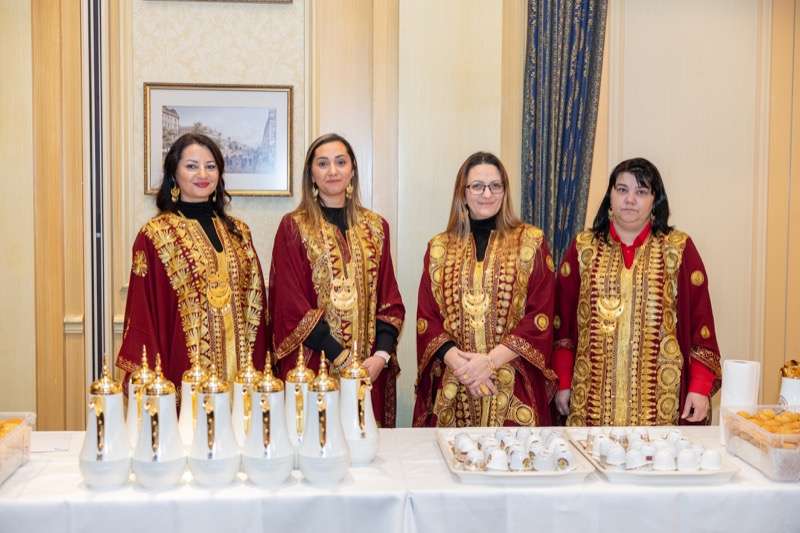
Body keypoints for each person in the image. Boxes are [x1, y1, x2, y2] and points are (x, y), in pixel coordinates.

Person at [553, 157, 722, 426]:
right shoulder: (583, 248)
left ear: (655, 200)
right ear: (610, 196)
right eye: (622, 190)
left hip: (660, 404)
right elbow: (561, 325)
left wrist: (699, 387)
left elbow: (701, 326)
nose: (630, 199)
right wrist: (563, 380)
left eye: (641, 192)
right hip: (590, 401)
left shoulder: (678, 249)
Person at [116, 133, 268, 405]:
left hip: (241, 374)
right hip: (182, 372)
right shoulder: (155, 235)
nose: (202, 174)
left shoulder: (239, 233)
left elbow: (255, 306)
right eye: (191, 166)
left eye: (210, 166)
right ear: (174, 174)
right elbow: (143, 312)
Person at [413, 152, 559, 428]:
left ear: (505, 192)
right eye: (477, 186)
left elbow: (539, 316)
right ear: (463, 192)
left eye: (495, 186)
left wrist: (489, 362)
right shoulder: (439, 248)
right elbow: (427, 318)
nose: (487, 194)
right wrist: (464, 367)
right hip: (456, 383)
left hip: (513, 384)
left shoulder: (531, 243)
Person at [268, 133, 405, 427]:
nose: (333, 171)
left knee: (363, 443)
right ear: (311, 174)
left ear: (352, 170)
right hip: (312, 367)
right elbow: (291, 305)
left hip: (368, 369)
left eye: (340, 162)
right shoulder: (294, 227)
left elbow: (389, 299)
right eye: (323, 163)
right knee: (316, 443)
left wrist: (380, 356)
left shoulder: (376, 227)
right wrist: (340, 358)